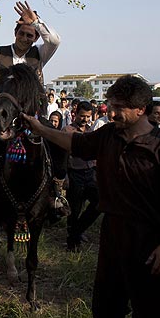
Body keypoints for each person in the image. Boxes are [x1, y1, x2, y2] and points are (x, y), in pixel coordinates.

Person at [21, 75, 160, 318]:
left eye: (119, 107)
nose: (110, 112)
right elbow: (76, 144)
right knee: (105, 314)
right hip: (112, 239)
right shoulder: (108, 136)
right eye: (110, 105)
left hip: (152, 246)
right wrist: (41, 129)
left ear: (140, 109)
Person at [0, 1, 61, 213]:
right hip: (1, 116)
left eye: (30, 35)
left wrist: (36, 22)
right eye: (22, 33)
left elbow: (55, 40)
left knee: (58, 142)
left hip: (33, 119)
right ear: (15, 33)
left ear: (36, 37)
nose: (25, 38)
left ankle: (57, 194)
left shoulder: (40, 53)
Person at [63, 101, 101, 251]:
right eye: (82, 116)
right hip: (75, 174)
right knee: (75, 209)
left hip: (90, 173)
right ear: (75, 114)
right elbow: (63, 156)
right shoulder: (68, 130)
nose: (85, 119)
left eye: (88, 116)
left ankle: (78, 230)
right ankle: (73, 242)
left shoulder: (91, 130)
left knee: (98, 202)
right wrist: (64, 176)